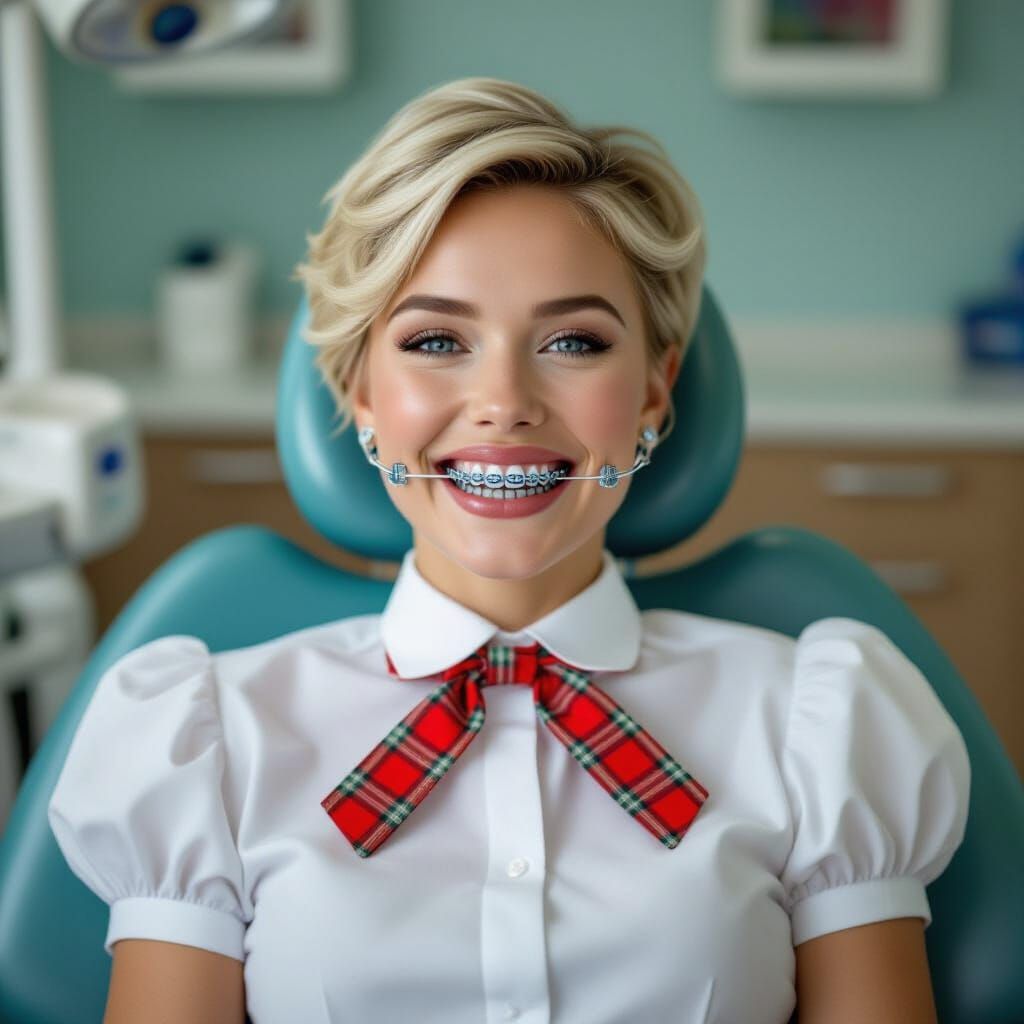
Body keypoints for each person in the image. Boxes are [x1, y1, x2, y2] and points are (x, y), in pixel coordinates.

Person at [47, 77, 970, 1023]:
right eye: (437, 338)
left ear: (654, 392)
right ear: (362, 394)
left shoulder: (819, 729)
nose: (505, 400)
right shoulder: (207, 743)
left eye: (572, 341)